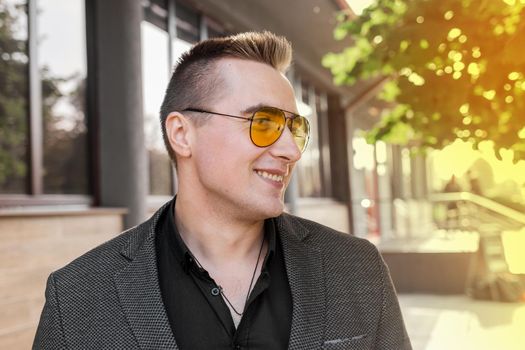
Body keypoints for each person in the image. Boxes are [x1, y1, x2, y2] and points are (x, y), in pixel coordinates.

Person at [33, 31, 411, 349]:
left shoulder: (358, 269)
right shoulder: (78, 297)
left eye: (294, 128)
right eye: (263, 122)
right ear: (182, 134)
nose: (291, 151)